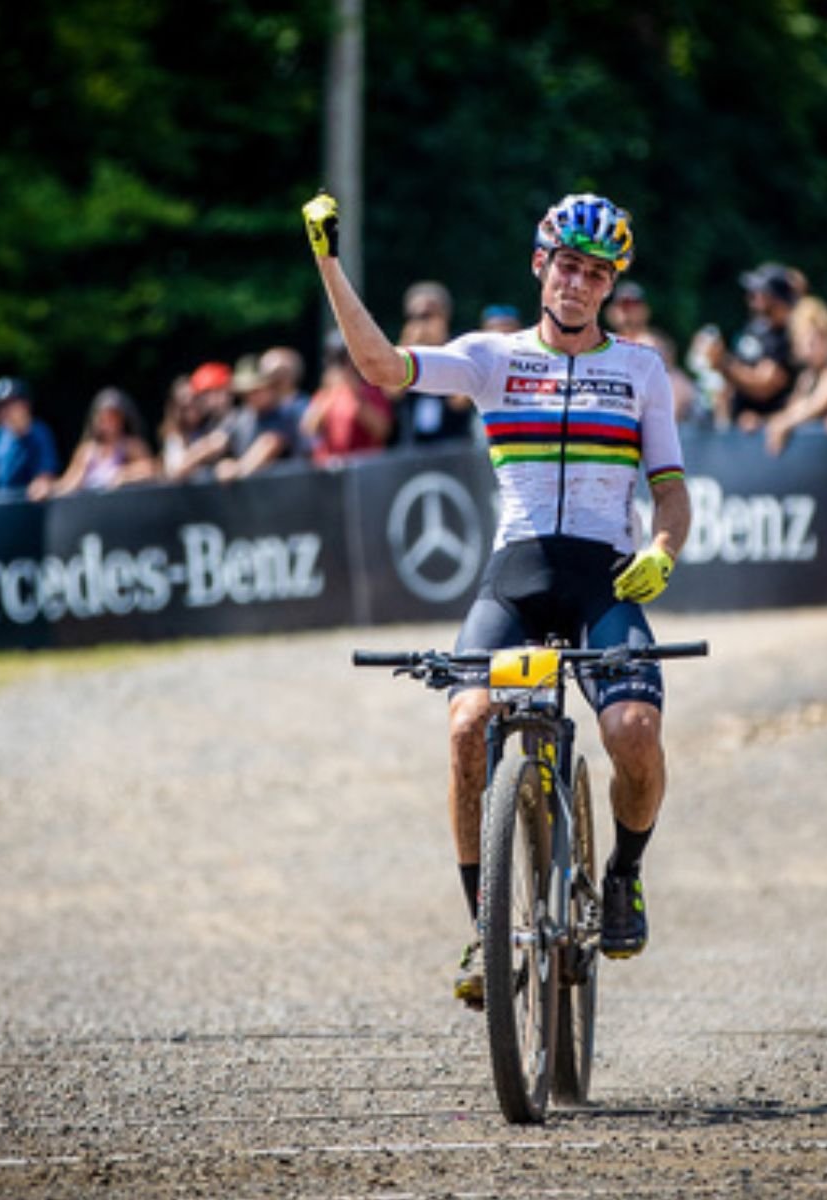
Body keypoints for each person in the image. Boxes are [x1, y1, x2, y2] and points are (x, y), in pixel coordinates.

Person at [303, 189, 692, 1006]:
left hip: (604, 579)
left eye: (596, 273)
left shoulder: (640, 370)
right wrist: (328, 263)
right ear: (539, 266)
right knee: (468, 726)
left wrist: (663, 549)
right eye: (567, 266)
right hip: (514, 578)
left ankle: (623, 875)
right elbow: (380, 369)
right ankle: (487, 929)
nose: (578, 284)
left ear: (610, 284)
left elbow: (670, 490)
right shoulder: (491, 358)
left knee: (633, 731)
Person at [697, 262, 797, 430]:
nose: (752, 296)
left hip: (769, 434)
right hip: (738, 428)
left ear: (777, 298)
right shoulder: (754, 328)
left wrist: (723, 363)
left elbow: (765, 385)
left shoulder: (789, 335)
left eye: (759, 292)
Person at [762, 297, 827, 456]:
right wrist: (768, 421)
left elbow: (815, 407)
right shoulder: (807, 377)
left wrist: (784, 424)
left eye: (815, 341)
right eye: (804, 342)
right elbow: (794, 408)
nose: (809, 349)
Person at [388, 281, 475, 446]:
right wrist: (408, 346)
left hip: (454, 447)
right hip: (413, 449)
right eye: (413, 317)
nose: (420, 324)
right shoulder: (405, 355)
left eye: (427, 316)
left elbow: (459, 402)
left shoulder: (460, 349)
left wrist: (439, 347)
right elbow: (391, 393)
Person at [34, 388, 156, 499]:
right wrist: (48, 487)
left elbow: (151, 469)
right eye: (104, 418)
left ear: (122, 419)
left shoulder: (132, 446)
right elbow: (68, 484)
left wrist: (125, 474)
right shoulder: (87, 451)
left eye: (113, 417)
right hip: (93, 513)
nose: (108, 423)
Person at [301, 337, 392, 465]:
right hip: (330, 469)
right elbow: (309, 429)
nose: (341, 367)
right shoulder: (326, 393)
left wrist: (355, 394)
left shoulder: (372, 390)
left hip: (363, 468)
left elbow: (382, 431)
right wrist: (331, 393)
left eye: (344, 360)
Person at [213, 355, 303, 482]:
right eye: (246, 392)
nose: (250, 396)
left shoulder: (286, 413)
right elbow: (215, 442)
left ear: (271, 388)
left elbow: (270, 443)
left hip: (288, 493)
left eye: (256, 390)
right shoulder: (240, 418)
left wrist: (237, 468)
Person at [166, 362, 231, 481]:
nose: (208, 399)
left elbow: (217, 443)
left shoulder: (230, 419)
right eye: (205, 394)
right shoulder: (178, 435)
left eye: (215, 391)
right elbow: (176, 470)